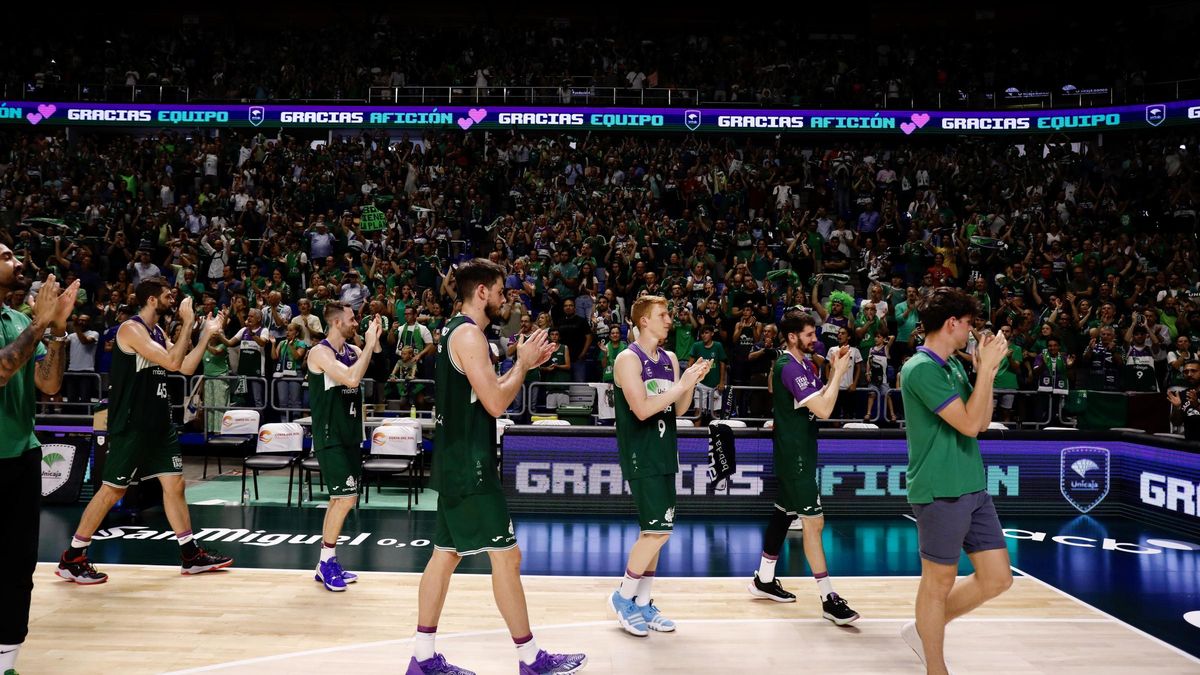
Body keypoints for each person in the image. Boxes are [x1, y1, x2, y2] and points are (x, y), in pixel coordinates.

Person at [408, 259, 585, 675]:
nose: (506, 297)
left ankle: (421, 658)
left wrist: (519, 359)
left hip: (457, 460)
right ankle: (530, 659)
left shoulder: (459, 331)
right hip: (470, 466)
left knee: (445, 555)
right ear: (482, 292)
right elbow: (496, 402)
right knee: (508, 557)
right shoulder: (468, 335)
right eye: (501, 290)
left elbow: (487, 388)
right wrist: (522, 364)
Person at [57, 277, 232, 584]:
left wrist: (205, 334)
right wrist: (189, 322)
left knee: (175, 485)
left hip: (158, 424)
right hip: (132, 423)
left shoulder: (158, 331)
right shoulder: (131, 329)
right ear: (152, 300)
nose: (172, 300)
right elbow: (173, 359)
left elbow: (185, 368)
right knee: (113, 490)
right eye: (167, 296)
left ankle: (190, 555)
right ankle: (73, 557)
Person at [899, 287, 1013, 675]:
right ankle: (935, 665)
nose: (971, 331)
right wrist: (985, 371)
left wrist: (988, 374)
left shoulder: (953, 366)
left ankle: (923, 627)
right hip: (939, 489)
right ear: (952, 323)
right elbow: (966, 423)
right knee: (938, 582)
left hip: (972, 486)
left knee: (998, 578)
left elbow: (979, 422)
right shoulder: (920, 369)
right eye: (968, 323)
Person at [747, 311, 860, 625]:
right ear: (793, 336)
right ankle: (828, 598)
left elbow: (819, 398)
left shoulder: (806, 365)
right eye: (809, 335)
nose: (816, 340)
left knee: (783, 513)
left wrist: (830, 375)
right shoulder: (787, 367)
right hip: (795, 456)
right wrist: (838, 372)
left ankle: (764, 580)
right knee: (814, 523)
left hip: (801, 452)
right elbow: (824, 410)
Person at [609, 295, 711, 637]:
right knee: (659, 531)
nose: (670, 319)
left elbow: (678, 409)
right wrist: (681, 386)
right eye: (663, 314)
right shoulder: (627, 359)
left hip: (667, 451)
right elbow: (641, 409)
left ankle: (643, 602)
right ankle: (623, 597)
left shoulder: (668, 358)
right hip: (642, 451)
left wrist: (690, 382)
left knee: (653, 533)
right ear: (643, 321)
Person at [0, 247, 76, 675]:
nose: (17, 262)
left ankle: (6, 662)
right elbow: (2, 371)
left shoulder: (15, 321)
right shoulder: (24, 324)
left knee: (17, 564)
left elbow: (49, 384)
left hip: (23, 455)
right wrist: (41, 323)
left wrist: (58, 333)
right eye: (7, 256)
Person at [305, 302, 381, 591]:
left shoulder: (353, 351)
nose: (355, 323)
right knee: (346, 499)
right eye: (351, 319)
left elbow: (374, 357)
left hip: (349, 436)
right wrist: (369, 345)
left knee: (339, 499)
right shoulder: (320, 352)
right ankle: (326, 563)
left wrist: (374, 338)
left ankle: (326, 560)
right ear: (337, 323)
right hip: (330, 436)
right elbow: (351, 377)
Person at [1167, 359, 1200, 441]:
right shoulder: (1182, 395)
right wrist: (1178, 408)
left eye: (1193, 371)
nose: (1189, 374)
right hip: (1190, 445)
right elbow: (1176, 422)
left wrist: (1197, 405)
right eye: (1186, 372)